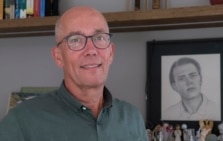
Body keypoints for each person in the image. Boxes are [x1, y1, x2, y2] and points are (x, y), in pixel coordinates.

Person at [0, 6, 148, 141]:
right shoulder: (21, 122)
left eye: (100, 38)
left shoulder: (132, 118)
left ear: (111, 53)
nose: (91, 50)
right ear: (58, 57)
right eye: (76, 40)